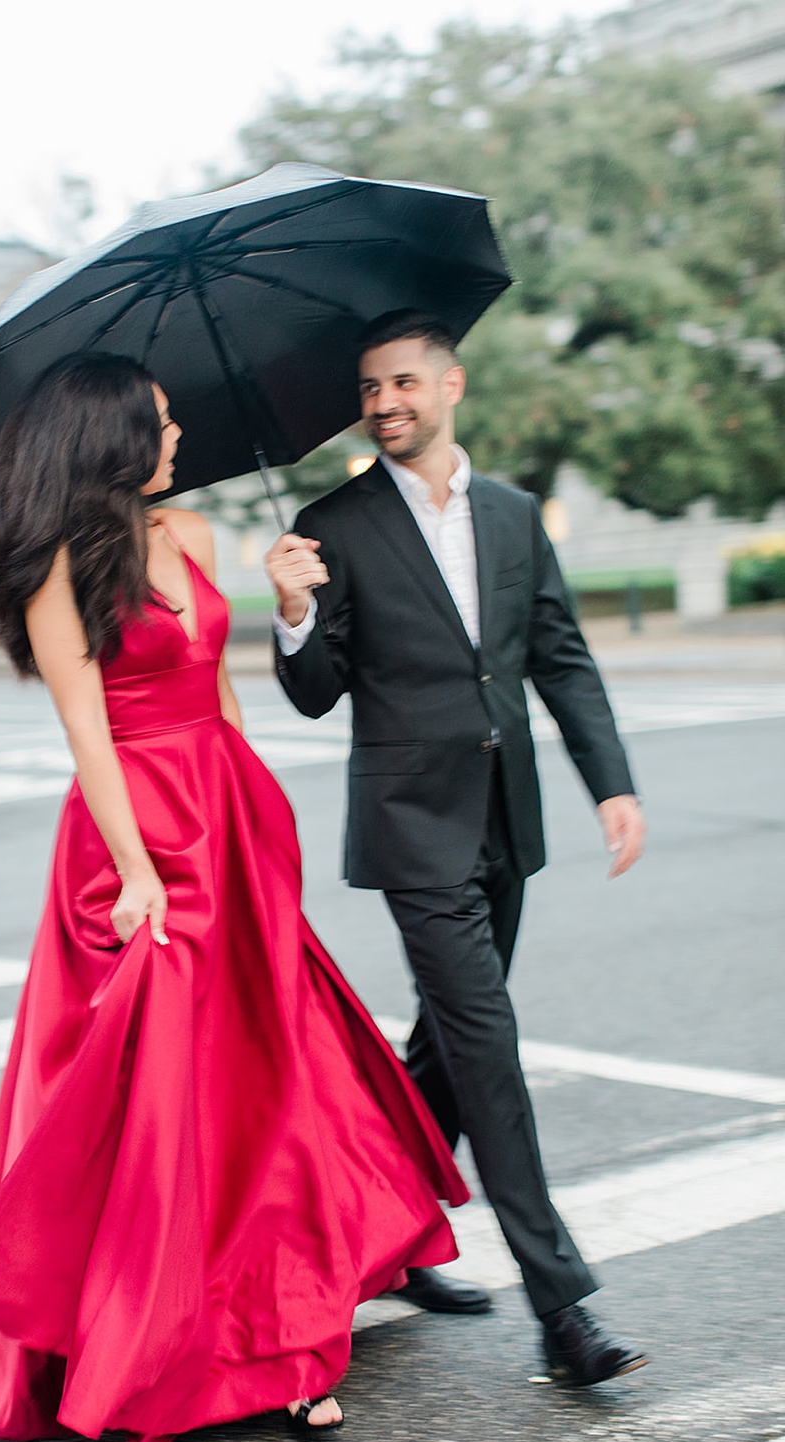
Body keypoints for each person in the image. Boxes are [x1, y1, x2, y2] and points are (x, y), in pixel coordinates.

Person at [0, 352, 469, 1442]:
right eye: (163, 426)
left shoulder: (194, 538)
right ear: (112, 436)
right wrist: (134, 873)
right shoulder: (58, 565)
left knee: (267, 1086)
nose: (179, 442)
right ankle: (162, 1339)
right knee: (168, 1104)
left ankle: (291, 1333)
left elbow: (216, 688)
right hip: (130, 836)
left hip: (224, 810)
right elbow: (87, 731)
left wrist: (287, 626)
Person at [266, 310, 649, 1387]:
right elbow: (311, 693)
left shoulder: (517, 515)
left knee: (442, 1045)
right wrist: (294, 609)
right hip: (410, 827)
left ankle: (376, 1243)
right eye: (369, 390)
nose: (383, 403)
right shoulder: (329, 523)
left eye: (401, 384)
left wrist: (608, 783)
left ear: (450, 386)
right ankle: (562, 1308)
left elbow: (559, 661)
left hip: (502, 817)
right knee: (487, 1048)